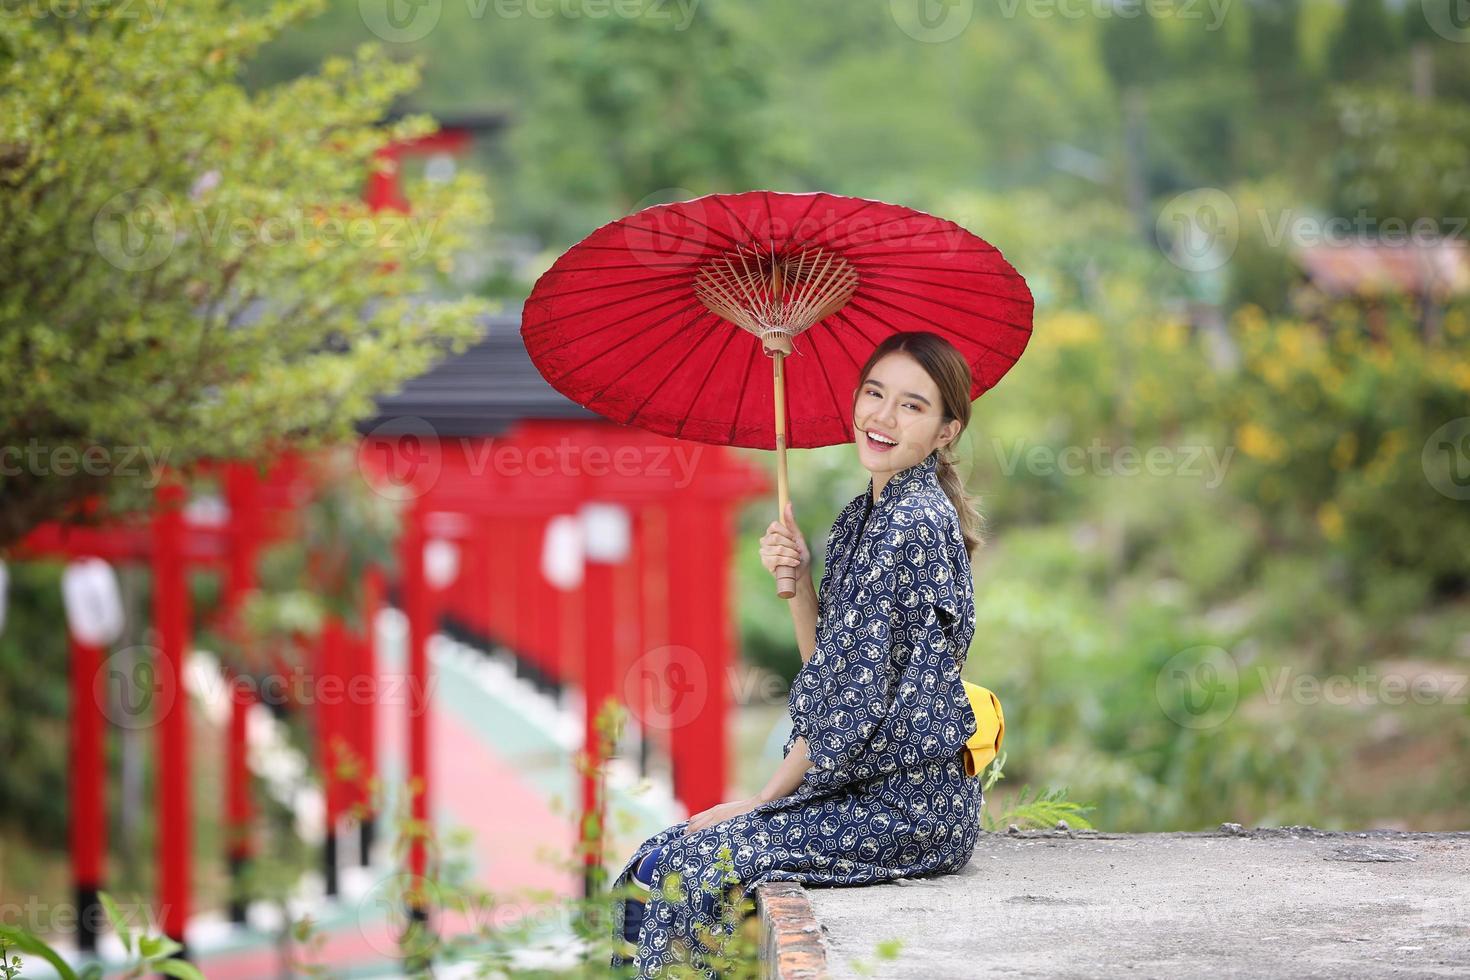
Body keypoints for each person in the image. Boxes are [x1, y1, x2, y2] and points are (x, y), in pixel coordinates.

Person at [609, 330, 987, 977]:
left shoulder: (912, 522)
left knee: (688, 869)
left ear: (947, 430)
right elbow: (831, 669)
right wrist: (800, 585)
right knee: (653, 861)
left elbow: (847, 705)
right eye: (874, 393)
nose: (882, 417)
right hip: (857, 789)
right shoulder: (859, 517)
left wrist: (760, 804)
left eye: (912, 405)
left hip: (908, 805)